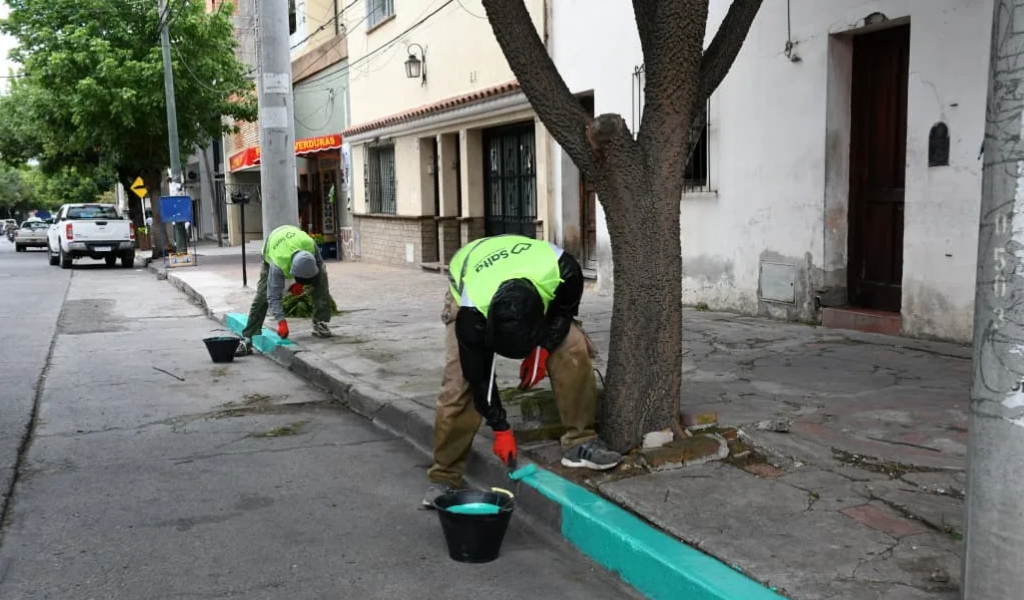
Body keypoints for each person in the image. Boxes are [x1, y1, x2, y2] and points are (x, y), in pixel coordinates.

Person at [422, 234, 622, 507]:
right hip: (471, 287)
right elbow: (479, 376)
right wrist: (500, 427)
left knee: (573, 346)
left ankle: (580, 442)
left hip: (531, 280)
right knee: (460, 386)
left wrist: (543, 348)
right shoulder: (471, 315)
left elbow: (561, 315)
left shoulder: (565, 272)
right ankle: (444, 475)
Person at [235, 224, 333, 356]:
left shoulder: (310, 244)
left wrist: (301, 284)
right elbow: (273, 296)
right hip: (272, 245)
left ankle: (320, 321)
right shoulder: (278, 263)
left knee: (321, 280)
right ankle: (247, 338)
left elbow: (319, 265)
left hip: (293, 236)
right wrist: (281, 321)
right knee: (263, 295)